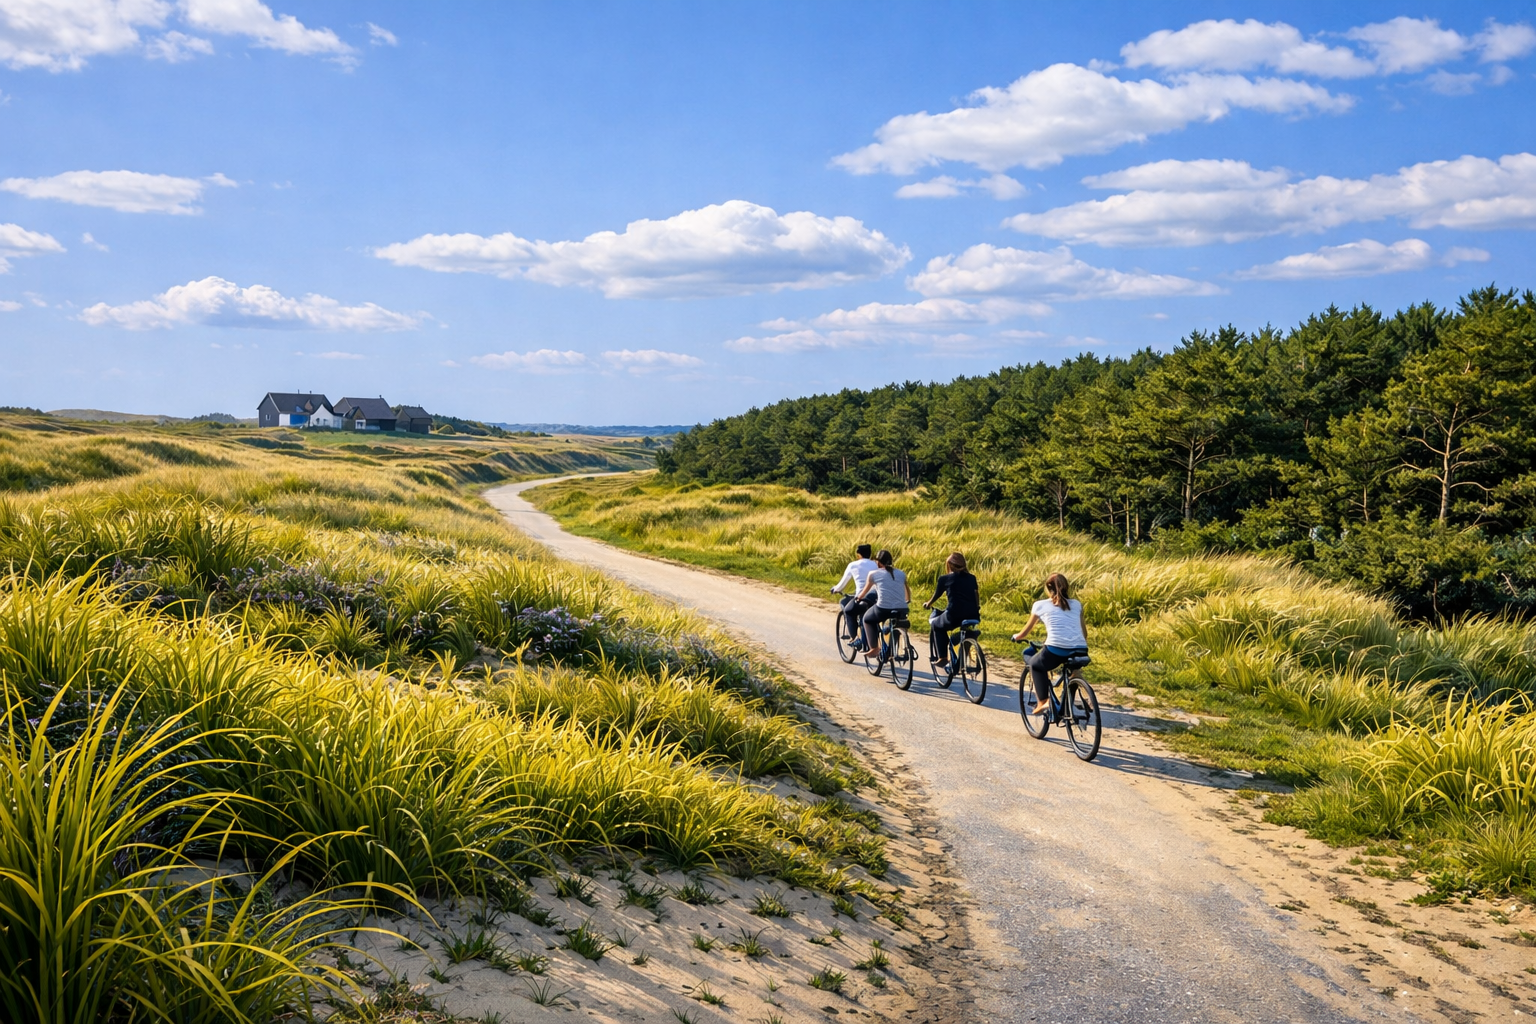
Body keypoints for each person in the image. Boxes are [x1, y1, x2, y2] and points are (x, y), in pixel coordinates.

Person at [1011, 573, 1088, 714]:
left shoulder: (1040, 605)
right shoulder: (1077, 605)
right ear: (1067, 587)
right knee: (1072, 670)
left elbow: (1025, 632)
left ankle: (1043, 701)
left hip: (1055, 649)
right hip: (1081, 649)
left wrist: (1016, 637)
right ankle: (1071, 700)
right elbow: (1084, 633)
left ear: (1047, 588)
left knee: (1035, 664)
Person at [923, 551, 980, 671]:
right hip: (973, 614)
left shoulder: (945, 579)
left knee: (936, 625)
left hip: (954, 615)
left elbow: (936, 595)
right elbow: (976, 596)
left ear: (950, 565)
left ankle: (943, 657)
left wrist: (928, 604)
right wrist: (977, 609)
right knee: (966, 629)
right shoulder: (972, 578)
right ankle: (963, 648)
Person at [856, 549, 911, 656]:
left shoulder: (873, 574)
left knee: (867, 619)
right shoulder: (901, 574)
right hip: (902, 608)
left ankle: (874, 648)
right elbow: (907, 590)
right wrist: (907, 600)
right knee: (896, 623)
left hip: (883, 608)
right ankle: (892, 650)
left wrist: (858, 598)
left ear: (879, 562)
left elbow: (865, 591)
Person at [830, 543, 880, 649]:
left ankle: (854, 638)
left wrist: (835, 589)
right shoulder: (875, 564)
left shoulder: (853, 565)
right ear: (870, 554)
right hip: (876, 597)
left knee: (848, 610)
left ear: (858, 554)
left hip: (861, 596)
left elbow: (843, 583)